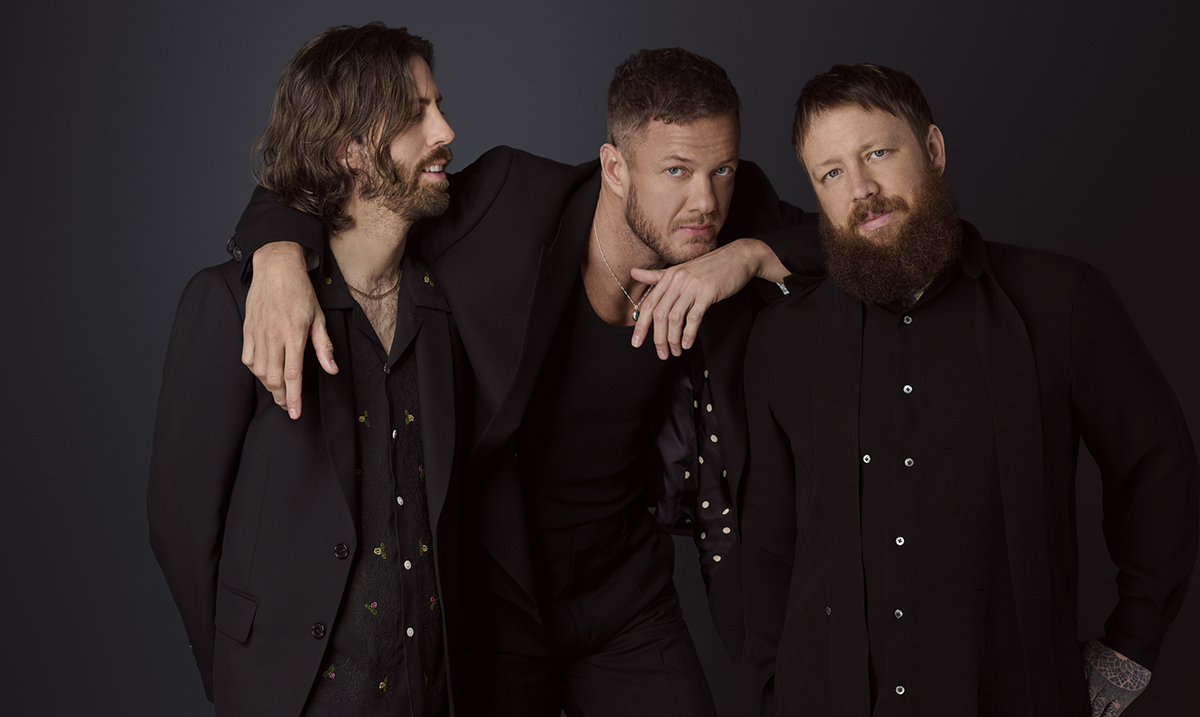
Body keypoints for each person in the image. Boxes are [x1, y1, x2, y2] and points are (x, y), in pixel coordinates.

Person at [231, 47, 819, 716]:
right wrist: (278, 254)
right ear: (615, 167)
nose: (704, 201)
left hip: (629, 600)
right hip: (496, 606)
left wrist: (750, 256)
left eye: (722, 170)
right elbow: (349, 184)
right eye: (676, 171)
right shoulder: (509, 200)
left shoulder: (730, 220)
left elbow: (855, 239)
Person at [741, 62, 1198, 717]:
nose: (861, 188)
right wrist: (773, 689)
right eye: (831, 173)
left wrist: (1134, 642)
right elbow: (766, 541)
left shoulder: (1061, 301)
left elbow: (1158, 466)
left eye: (876, 153)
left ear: (932, 148)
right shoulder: (782, 339)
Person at [148, 23, 471, 716]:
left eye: (438, 107)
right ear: (348, 149)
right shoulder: (231, 303)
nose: (446, 131)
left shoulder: (446, 300)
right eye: (416, 114)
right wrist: (244, 677)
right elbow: (180, 527)